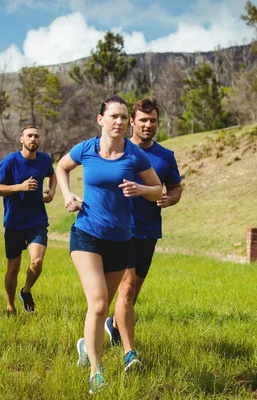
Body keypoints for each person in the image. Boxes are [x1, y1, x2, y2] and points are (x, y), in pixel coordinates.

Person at [56, 95, 162, 394]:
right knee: (100, 303)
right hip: (87, 234)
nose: (118, 121)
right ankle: (96, 371)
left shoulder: (134, 155)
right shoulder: (86, 149)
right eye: (113, 116)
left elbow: (158, 190)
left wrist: (140, 189)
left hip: (121, 239)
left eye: (123, 116)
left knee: (103, 307)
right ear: (100, 119)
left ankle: (85, 345)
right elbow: (61, 167)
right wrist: (67, 194)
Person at [105, 97, 182, 371]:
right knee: (125, 290)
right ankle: (129, 352)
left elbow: (175, 188)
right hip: (119, 230)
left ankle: (114, 325)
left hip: (148, 231)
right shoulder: (117, 151)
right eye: (143, 120)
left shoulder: (165, 156)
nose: (148, 125)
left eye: (153, 121)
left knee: (133, 291)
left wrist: (169, 200)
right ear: (132, 123)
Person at [0, 126, 56, 314]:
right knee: (13, 268)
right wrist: (20, 187)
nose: (33, 139)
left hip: (37, 219)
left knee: (36, 262)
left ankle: (26, 291)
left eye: (37, 136)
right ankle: (10, 305)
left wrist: (52, 191)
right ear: (21, 139)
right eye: (29, 136)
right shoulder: (10, 161)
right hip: (14, 222)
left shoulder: (44, 159)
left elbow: (52, 174)